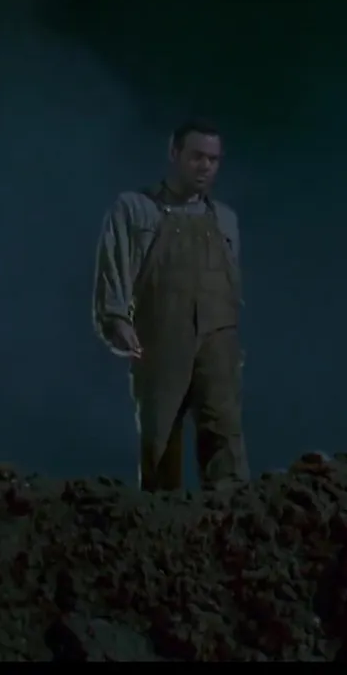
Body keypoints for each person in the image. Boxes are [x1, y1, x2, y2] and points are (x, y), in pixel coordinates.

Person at [93, 118, 249, 492]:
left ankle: (231, 512)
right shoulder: (137, 209)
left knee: (224, 429)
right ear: (174, 153)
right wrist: (116, 319)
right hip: (162, 334)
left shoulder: (225, 219)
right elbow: (114, 266)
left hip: (217, 338)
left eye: (213, 159)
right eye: (197, 156)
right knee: (160, 433)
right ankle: (162, 515)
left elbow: (231, 281)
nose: (205, 166)